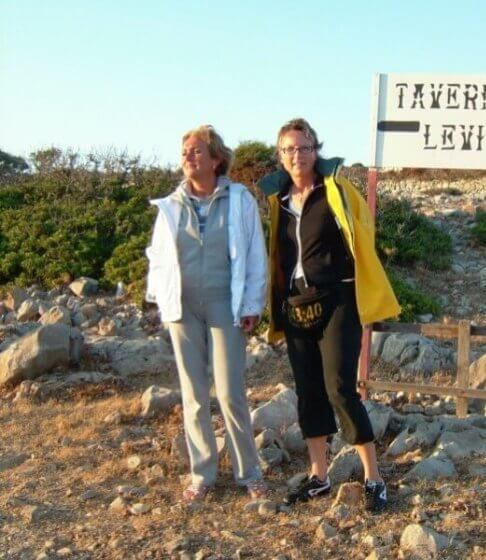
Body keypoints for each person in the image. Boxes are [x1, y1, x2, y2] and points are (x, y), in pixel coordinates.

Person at [257, 118, 401, 512]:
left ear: (315, 150)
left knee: (339, 387)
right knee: (308, 389)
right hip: (295, 304)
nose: (296, 156)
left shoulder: (336, 191)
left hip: (338, 297)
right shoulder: (279, 200)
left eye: (303, 148)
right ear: (280, 155)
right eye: (288, 149)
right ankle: (319, 476)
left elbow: (363, 231)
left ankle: (374, 478)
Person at [145, 125, 268, 501]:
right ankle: (202, 475)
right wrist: (161, 301)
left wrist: (251, 304)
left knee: (231, 392)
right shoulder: (170, 205)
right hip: (183, 308)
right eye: (185, 151)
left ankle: (250, 473)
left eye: (197, 151)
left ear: (216, 159)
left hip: (224, 304)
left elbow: (254, 255)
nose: (188, 157)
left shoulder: (239, 200)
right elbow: (158, 257)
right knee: (194, 393)